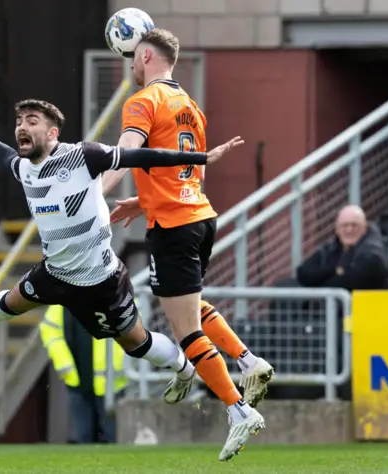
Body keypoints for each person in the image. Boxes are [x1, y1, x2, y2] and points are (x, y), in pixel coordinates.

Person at [0, 97, 243, 433]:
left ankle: (182, 368)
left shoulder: (83, 156)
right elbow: (0, 153)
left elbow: (142, 155)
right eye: (19, 120)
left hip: (100, 280)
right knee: (15, 299)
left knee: (135, 344)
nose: (21, 126)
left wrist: (200, 158)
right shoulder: (24, 170)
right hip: (57, 272)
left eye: (31, 121)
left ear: (52, 133)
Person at [101, 29, 272, 460]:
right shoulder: (189, 105)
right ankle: (248, 361)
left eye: (132, 60)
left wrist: (91, 196)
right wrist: (141, 202)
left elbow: (127, 152)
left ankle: (237, 409)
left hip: (174, 226)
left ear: (144, 55)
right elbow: (180, 172)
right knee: (190, 307)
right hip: (199, 216)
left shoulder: (143, 101)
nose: (132, 68)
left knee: (184, 329)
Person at [39, 304, 128, 443]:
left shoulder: (116, 296)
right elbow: (49, 329)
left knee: (113, 436)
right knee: (84, 437)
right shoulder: (61, 302)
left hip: (112, 383)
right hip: (77, 379)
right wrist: (64, 364)